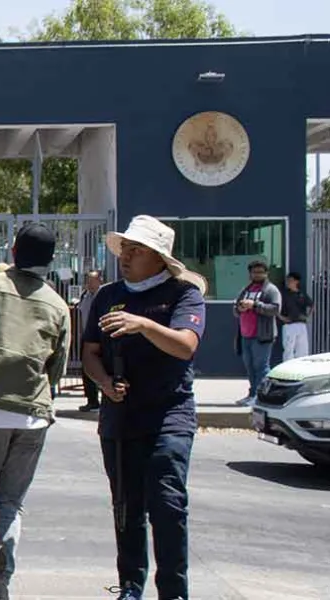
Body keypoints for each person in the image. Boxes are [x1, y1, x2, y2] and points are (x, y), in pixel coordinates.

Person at [81, 215, 207, 600]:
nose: (126, 256)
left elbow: (186, 345)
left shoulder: (183, 294)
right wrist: (104, 383)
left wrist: (143, 325)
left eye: (136, 250)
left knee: (167, 505)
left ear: (159, 257)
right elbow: (90, 353)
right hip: (120, 418)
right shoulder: (107, 295)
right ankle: (131, 587)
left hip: (170, 415)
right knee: (126, 508)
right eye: (125, 249)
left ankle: (173, 591)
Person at [0, 223, 71, 600]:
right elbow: (60, 364)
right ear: (50, 260)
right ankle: (0, 585)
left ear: (14, 251)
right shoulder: (57, 303)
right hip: (34, 411)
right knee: (11, 502)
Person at [233, 259, 282, 405]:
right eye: (255, 272)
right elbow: (236, 309)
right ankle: (252, 394)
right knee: (249, 367)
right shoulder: (246, 289)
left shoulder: (271, 290)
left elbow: (275, 309)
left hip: (262, 336)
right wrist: (239, 308)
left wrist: (254, 305)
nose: (258, 275)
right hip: (245, 335)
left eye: (261, 272)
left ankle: (262, 397)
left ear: (266, 273)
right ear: (250, 274)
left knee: (262, 368)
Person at [77, 270, 104, 411]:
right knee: (86, 369)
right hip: (87, 336)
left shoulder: (105, 295)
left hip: (102, 337)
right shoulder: (84, 295)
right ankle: (92, 400)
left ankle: (106, 398)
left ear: (100, 280)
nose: (89, 283)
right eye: (87, 280)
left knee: (104, 368)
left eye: (92, 280)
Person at [279, 271, 314, 362]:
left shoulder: (301, 294)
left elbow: (312, 305)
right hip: (289, 324)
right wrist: (281, 317)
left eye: (290, 280)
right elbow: (276, 306)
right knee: (288, 350)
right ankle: (287, 370)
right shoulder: (284, 294)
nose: (288, 282)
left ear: (296, 281)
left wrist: (308, 317)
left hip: (301, 324)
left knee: (302, 350)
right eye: (287, 280)